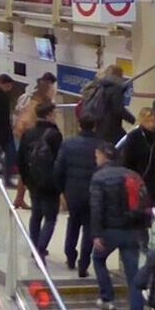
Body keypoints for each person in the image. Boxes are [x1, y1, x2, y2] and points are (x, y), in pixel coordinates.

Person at [86, 143, 149, 310]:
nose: (95, 159)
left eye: (96, 155)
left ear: (103, 156)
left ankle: (107, 298)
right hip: (132, 232)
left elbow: (96, 208)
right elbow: (144, 202)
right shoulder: (133, 175)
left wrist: (96, 234)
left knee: (98, 259)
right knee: (134, 278)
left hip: (110, 231)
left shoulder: (99, 178)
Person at [53, 112, 102, 277]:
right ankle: (84, 263)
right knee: (89, 228)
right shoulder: (101, 145)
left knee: (73, 223)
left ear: (79, 125)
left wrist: (61, 190)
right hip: (94, 192)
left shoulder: (68, 144)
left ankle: (70, 256)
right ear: (95, 126)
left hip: (72, 191)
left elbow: (58, 169)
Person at [19, 101, 64, 260]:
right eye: (54, 113)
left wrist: (26, 179)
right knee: (50, 218)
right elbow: (60, 161)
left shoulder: (28, 133)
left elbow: (21, 158)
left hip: (33, 181)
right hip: (50, 183)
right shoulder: (55, 135)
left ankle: (34, 246)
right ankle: (40, 248)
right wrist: (60, 183)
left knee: (36, 215)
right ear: (49, 115)